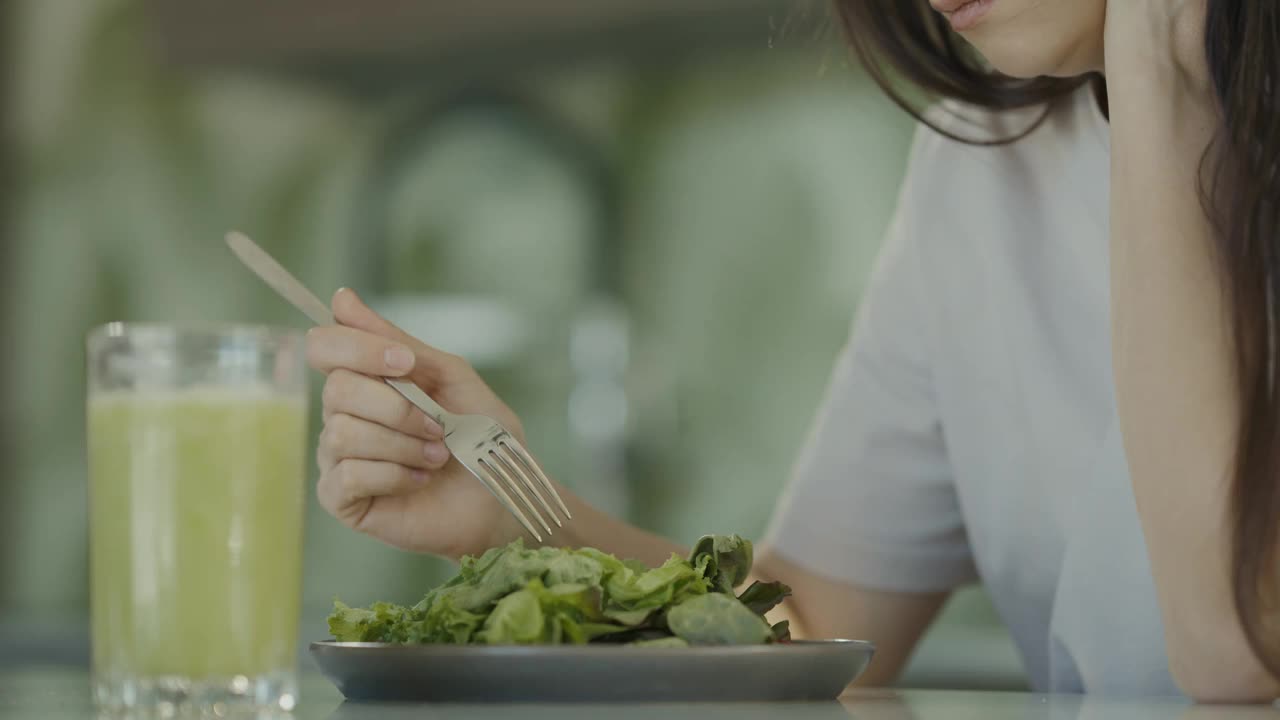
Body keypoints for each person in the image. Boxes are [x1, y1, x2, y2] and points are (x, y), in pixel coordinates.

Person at [304, 0, 1280, 702]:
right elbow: (804, 624)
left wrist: (1161, 68)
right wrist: (518, 511)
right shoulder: (979, 161)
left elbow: (1237, 648)